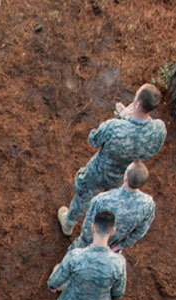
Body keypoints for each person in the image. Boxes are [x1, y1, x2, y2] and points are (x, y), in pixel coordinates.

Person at [57, 83, 166, 236]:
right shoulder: (159, 129)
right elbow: (152, 150)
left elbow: (93, 140)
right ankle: (96, 232)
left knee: (84, 195)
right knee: (107, 204)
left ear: (138, 103)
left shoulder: (115, 127)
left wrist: (121, 118)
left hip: (99, 170)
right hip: (124, 176)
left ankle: (68, 224)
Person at [42, 210, 126, 300]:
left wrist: (52, 286)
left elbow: (57, 278)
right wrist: (114, 297)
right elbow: (119, 290)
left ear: (92, 228)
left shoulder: (76, 256)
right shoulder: (118, 262)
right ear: (112, 231)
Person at [69, 160, 156, 252]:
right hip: (111, 248)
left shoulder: (102, 199)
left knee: (73, 257)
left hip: (89, 244)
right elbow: (140, 231)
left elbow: (87, 229)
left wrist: (87, 243)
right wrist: (119, 247)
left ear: (125, 178)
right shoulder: (148, 205)